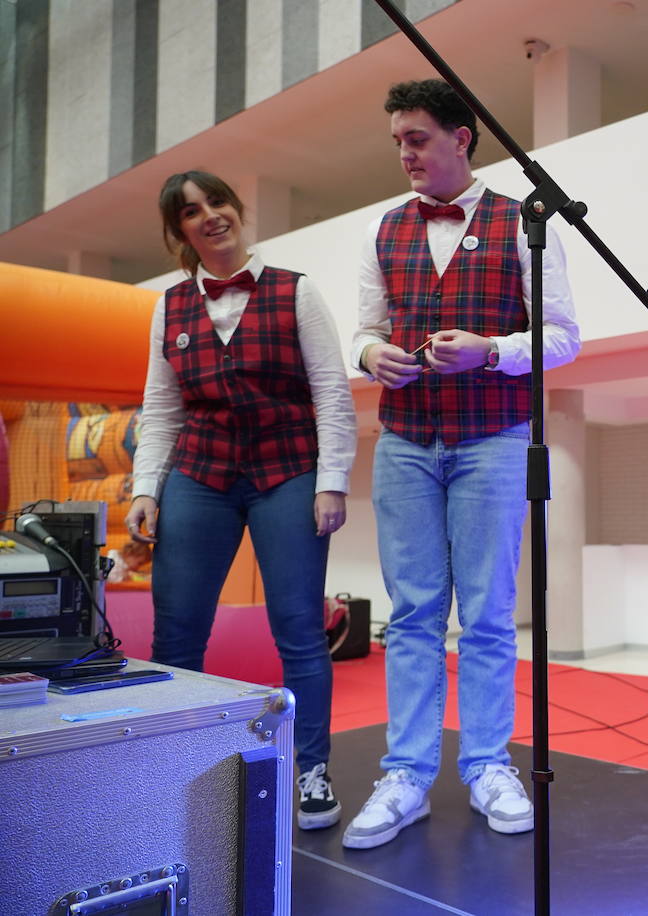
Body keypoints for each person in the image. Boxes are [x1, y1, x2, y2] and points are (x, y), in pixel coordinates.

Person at [343, 79, 580, 849]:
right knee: (411, 614)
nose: (405, 153)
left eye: (417, 137)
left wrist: (494, 351)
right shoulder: (384, 230)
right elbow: (365, 335)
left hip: (495, 438)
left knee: (485, 612)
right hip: (406, 441)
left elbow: (563, 336)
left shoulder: (524, 221)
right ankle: (406, 774)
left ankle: (486, 764)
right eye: (397, 141)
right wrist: (377, 356)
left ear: (462, 137)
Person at [127, 169, 357, 830]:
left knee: (300, 633)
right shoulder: (169, 308)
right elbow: (162, 410)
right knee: (177, 629)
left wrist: (331, 480)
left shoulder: (296, 292)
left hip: (287, 470)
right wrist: (147, 489)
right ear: (181, 232)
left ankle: (310, 769)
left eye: (217, 202)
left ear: (236, 208)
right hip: (201, 473)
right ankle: (176, 761)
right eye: (192, 212)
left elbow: (330, 394)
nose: (210, 217)